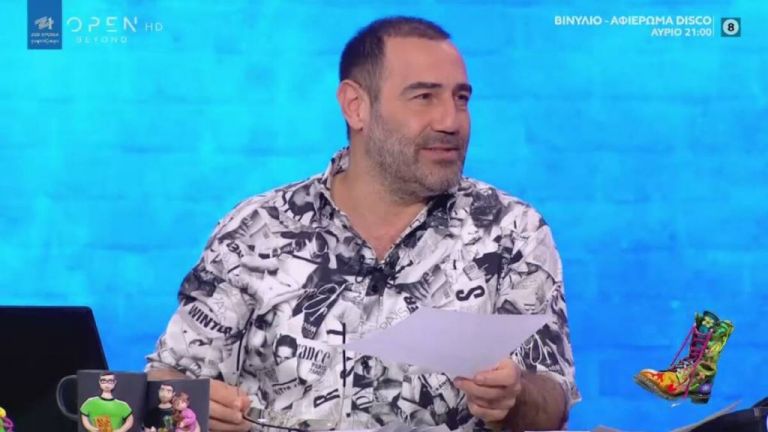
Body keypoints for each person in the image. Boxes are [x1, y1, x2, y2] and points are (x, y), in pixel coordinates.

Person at [146, 16, 580, 432]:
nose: (451, 121)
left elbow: (554, 404)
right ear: (356, 107)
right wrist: (193, 410)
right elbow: (163, 389)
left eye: (461, 99)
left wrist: (515, 397)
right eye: (424, 97)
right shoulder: (256, 229)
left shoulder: (512, 232)